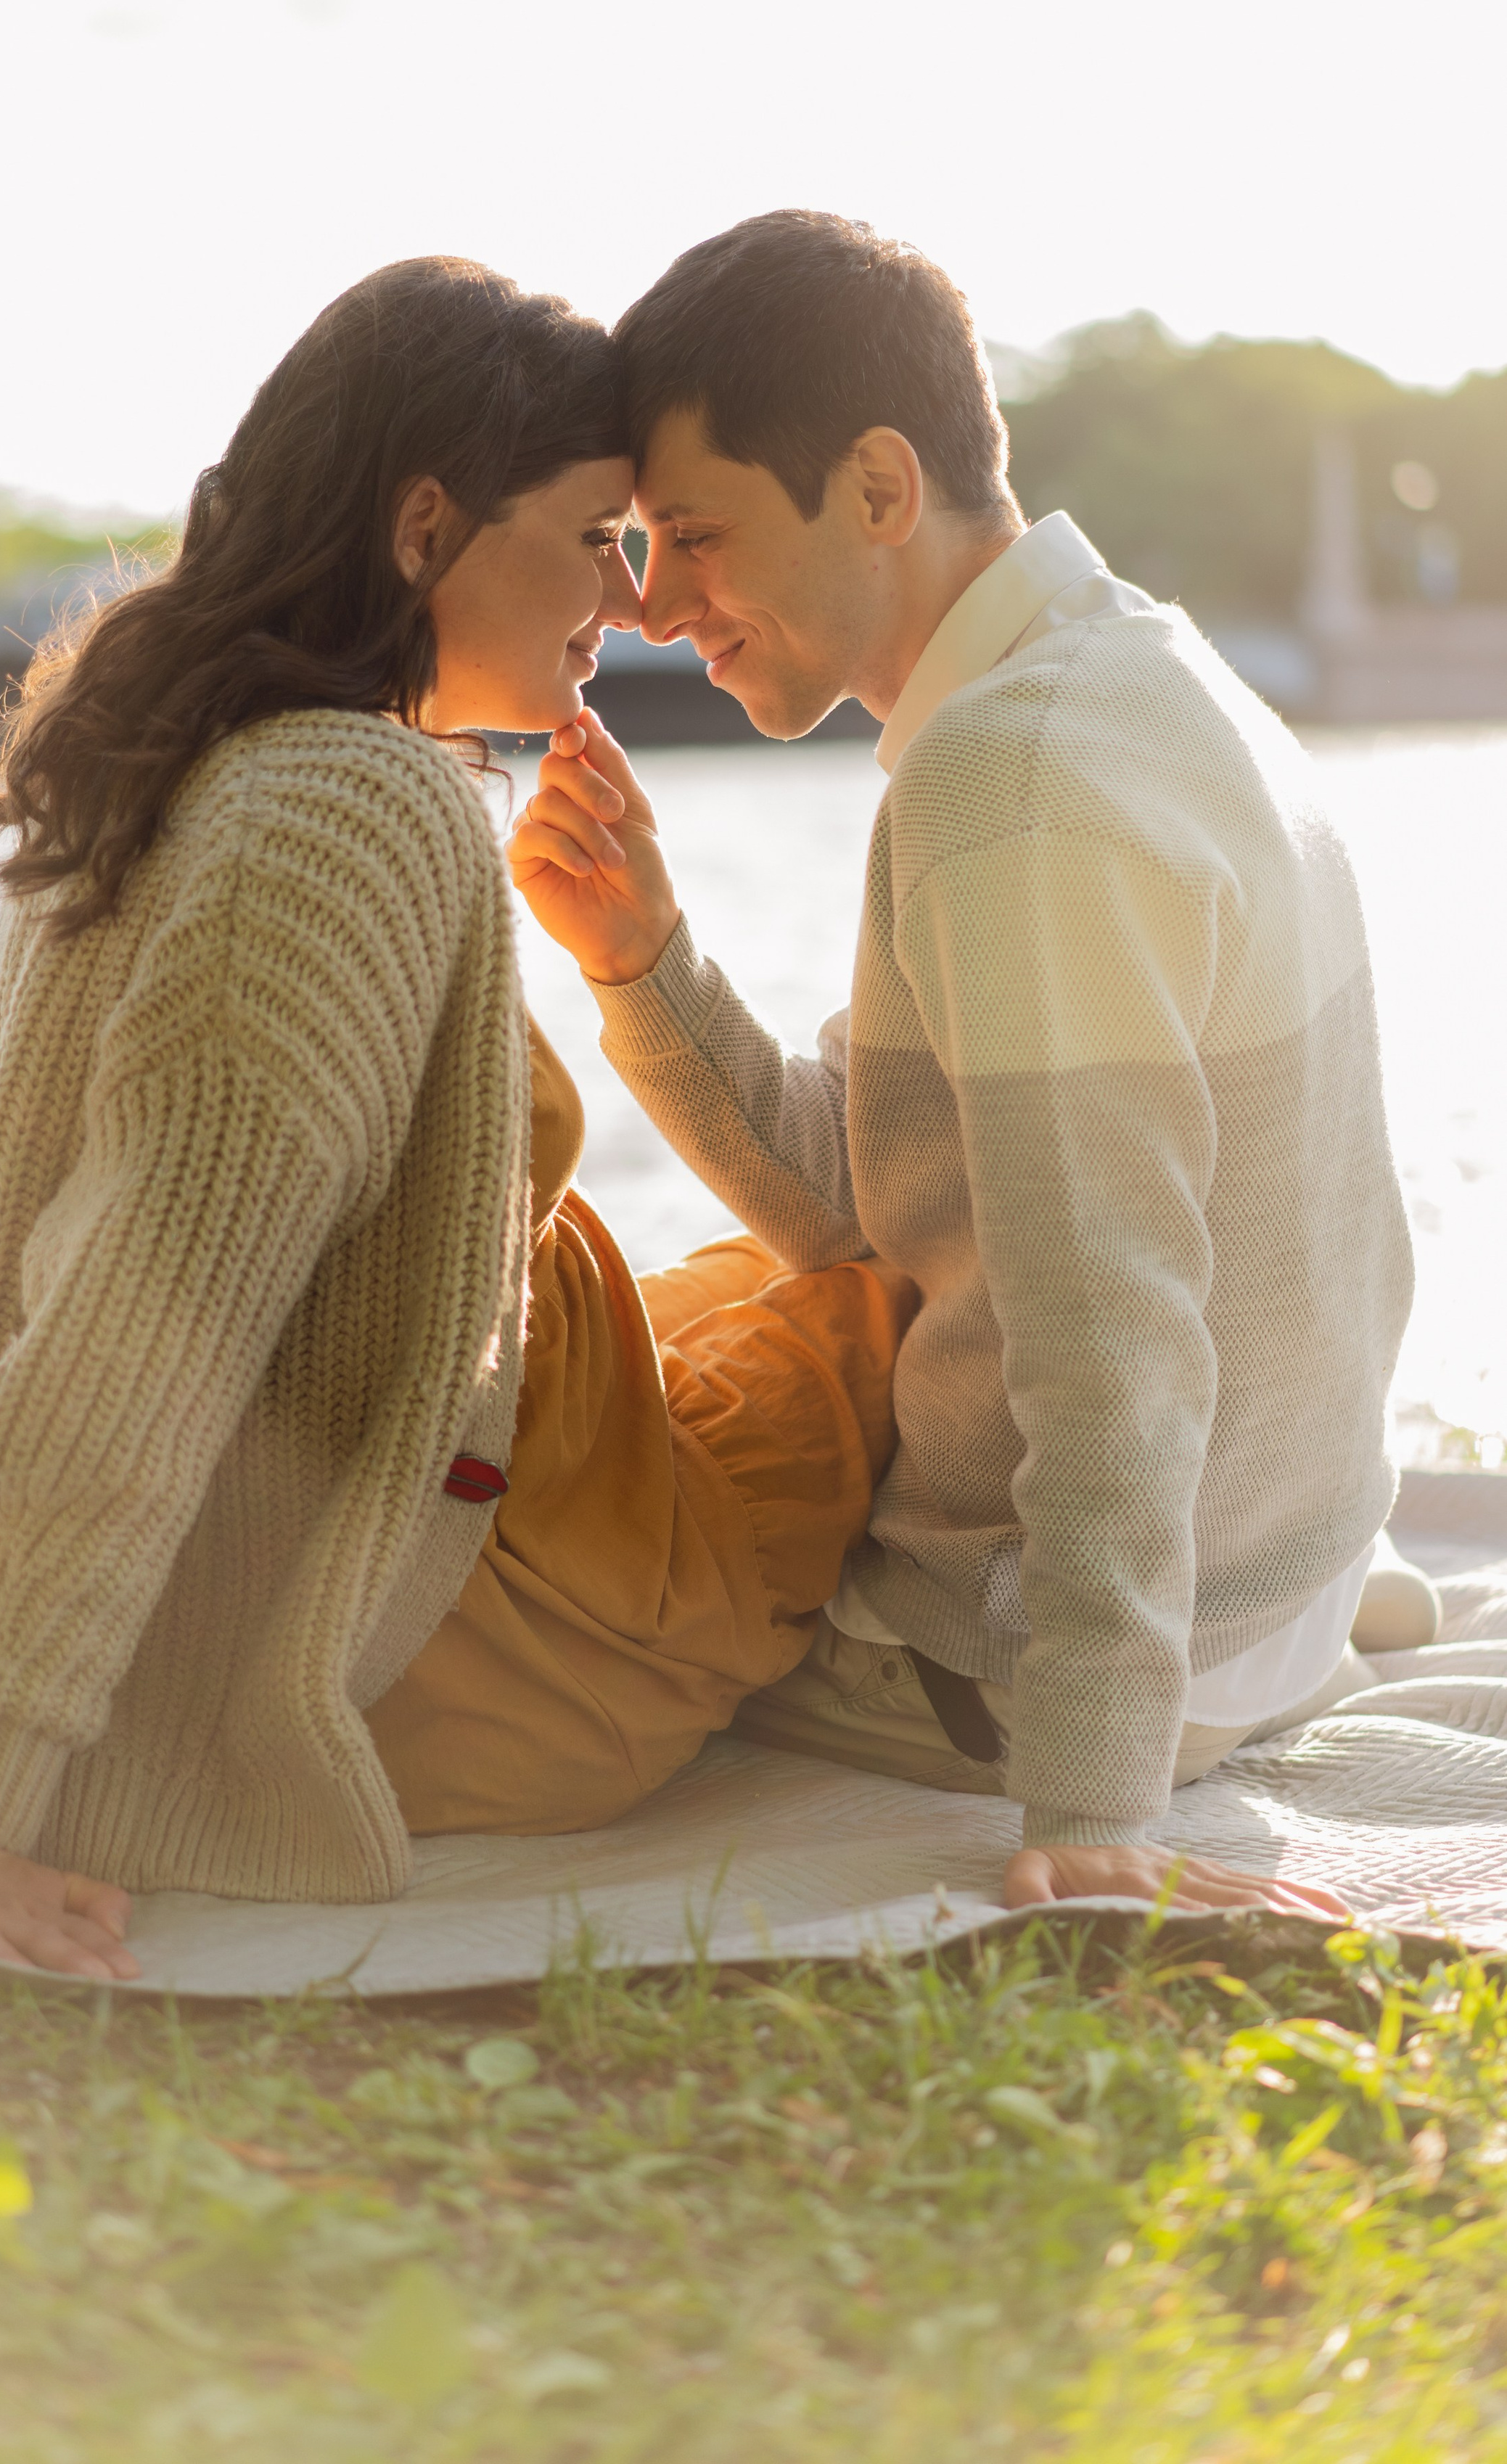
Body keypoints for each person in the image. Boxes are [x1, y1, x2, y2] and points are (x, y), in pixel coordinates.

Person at [0, 257, 905, 1981]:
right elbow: (139, 1309)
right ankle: (1240, 1614)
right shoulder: (348, 809)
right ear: (425, 524)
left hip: (438, 1467)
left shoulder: (187, 753)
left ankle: (1262, 1593)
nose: (633, 599)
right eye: (595, 537)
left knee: (756, 1297)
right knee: (895, 1308)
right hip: (464, 1609)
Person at [507, 210, 1411, 1922]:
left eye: (690, 538)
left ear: (871, 486)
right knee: (699, 1322)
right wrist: (640, 958)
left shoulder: (1007, 785)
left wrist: (1085, 1802)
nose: (655, 609)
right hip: (1279, 1570)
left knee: (516, 1561)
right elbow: (868, 1204)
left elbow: (1109, 1337)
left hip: (1064, 1663)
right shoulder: (1131, 664)